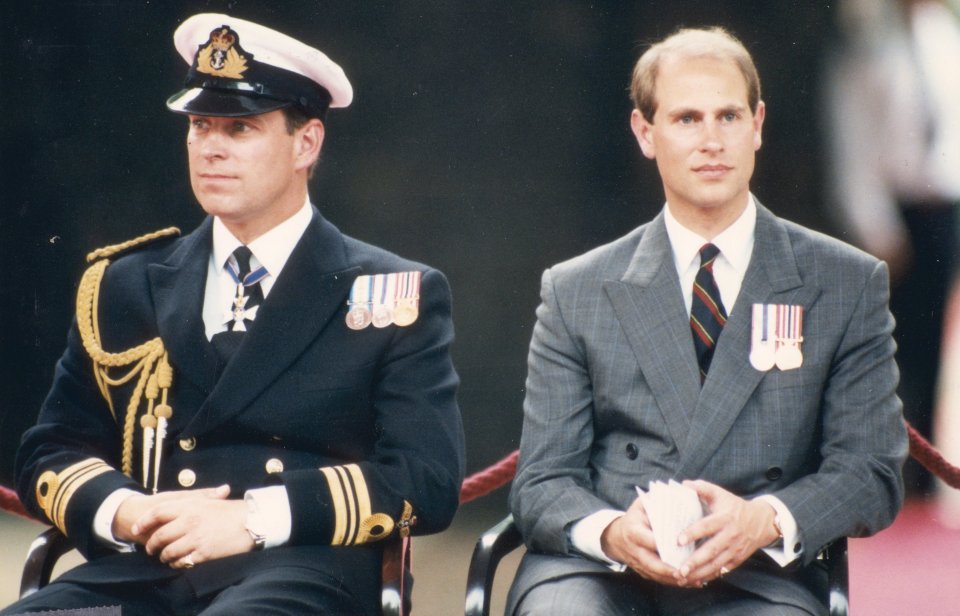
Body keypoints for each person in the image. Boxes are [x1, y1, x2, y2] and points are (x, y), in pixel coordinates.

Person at [3, 13, 464, 616]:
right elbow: (52, 450)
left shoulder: (391, 292)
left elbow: (424, 478)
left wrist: (250, 518)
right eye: (200, 125)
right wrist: (132, 510)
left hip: (303, 570)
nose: (211, 147)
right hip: (147, 563)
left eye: (241, 128)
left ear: (307, 143)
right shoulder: (124, 283)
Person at [507, 27, 907, 616]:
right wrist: (614, 533)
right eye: (687, 119)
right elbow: (542, 480)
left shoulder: (846, 282)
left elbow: (870, 471)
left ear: (758, 125)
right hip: (596, 574)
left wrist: (764, 519)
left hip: (757, 575)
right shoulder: (576, 289)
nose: (712, 140)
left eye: (729, 116)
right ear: (646, 133)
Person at [822, 0, 960, 496]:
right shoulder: (869, 40)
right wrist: (876, 228)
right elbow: (854, 143)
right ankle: (885, 478)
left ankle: (926, 483)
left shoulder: (944, 32)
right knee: (891, 350)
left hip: (942, 206)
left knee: (933, 352)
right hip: (893, 216)